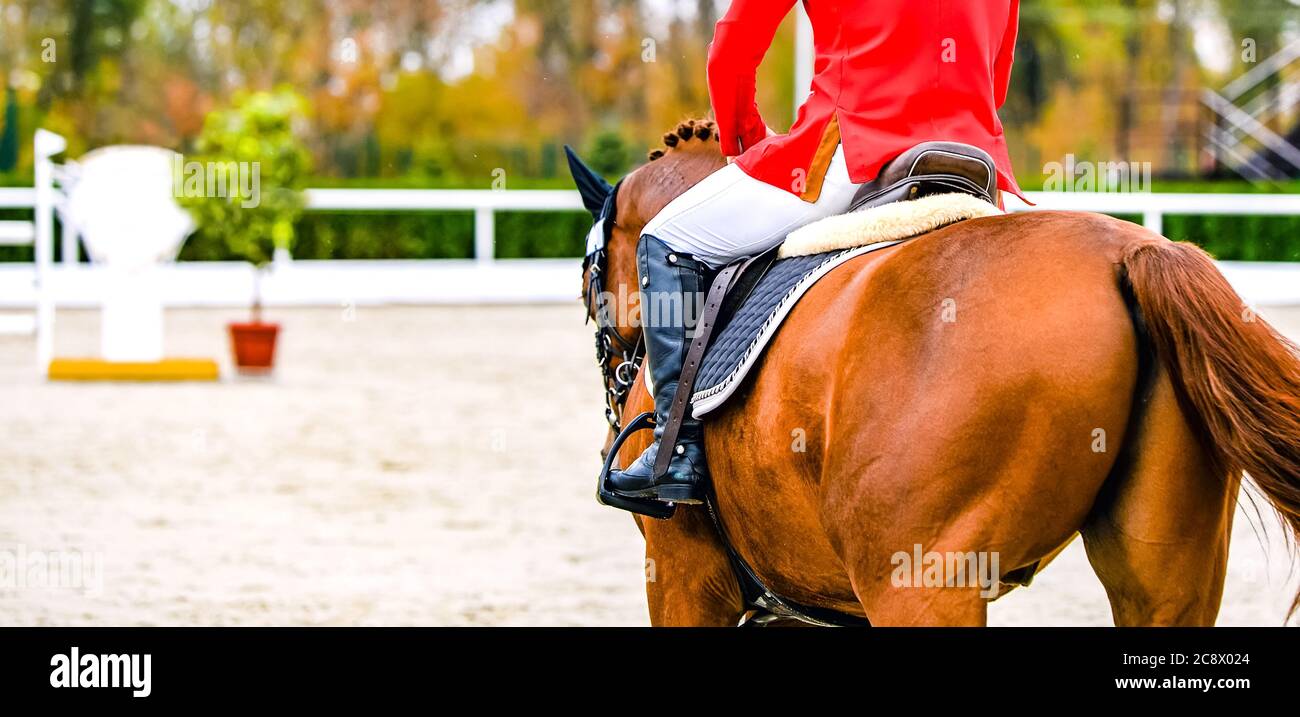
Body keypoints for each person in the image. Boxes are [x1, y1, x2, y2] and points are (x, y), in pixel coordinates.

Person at [607, 0, 1026, 504]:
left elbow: (733, 51)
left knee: (665, 240)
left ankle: (677, 452)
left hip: (852, 150)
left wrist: (747, 143)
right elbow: (996, 77)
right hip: (971, 161)